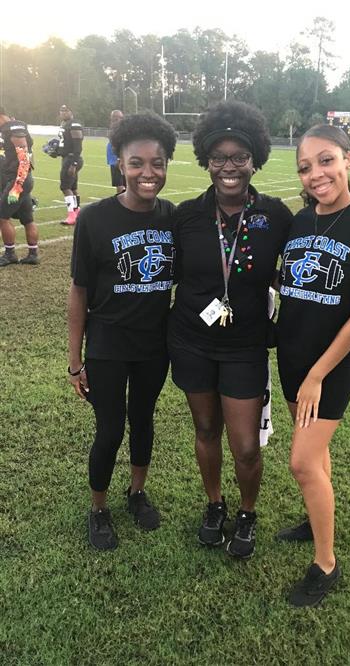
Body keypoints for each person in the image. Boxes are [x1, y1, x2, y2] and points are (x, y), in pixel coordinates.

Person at [276, 124, 350, 607]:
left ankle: (326, 564)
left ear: (348, 159)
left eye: (325, 160)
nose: (316, 174)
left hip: (329, 368)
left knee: (302, 462)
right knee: (316, 456)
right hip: (291, 359)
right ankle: (314, 518)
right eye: (305, 167)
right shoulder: (300, 222)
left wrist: (316, 375)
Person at [169, 101, 293, 559]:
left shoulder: (276, 216)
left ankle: (246, 512)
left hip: (245, 347)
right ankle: (214, 504)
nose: (228, 167)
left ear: (254, 159)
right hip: (192, 341)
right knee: (205, 429)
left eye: (239, 157)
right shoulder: (185, 216)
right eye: (218, 157)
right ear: (205, 160)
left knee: (244, 446)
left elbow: (296, 269)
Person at [67, 112, 177, 550]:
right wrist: (75, 361)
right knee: (110, 428)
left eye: (157, 163)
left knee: (144, 420)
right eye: (137, 163)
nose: (148, 173)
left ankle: (136, 492)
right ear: (121, 164)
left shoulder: (173, 216)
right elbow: (78, 293)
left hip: (154, 346)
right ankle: (98, 509)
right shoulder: (96, 219)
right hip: (108, 346)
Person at [0, 108, 40, 266]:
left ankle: (10, 254)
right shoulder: (7, 129)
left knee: (2, 217)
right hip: (19, 180)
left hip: (18, 180)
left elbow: (24, 159)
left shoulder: (13, 127)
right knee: (27, 219)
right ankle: (33, 254)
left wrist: (17, 186)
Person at [58, 105, 84, 226]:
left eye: (65, 111)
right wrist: (56, 151)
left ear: (71, 112)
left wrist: (73, 163)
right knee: (73, 188)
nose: (63, 113)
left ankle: (71, 215)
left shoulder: (74, 124)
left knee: (65, 187)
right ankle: (77, 212)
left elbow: (78, 145)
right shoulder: (65, 124)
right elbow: (65, 144)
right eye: (61, 111)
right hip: (67, 157)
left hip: (72, 158)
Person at [107, 110, 126, 194]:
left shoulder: (118, 129)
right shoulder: (119, 128)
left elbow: (119, 145)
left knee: (120, 183)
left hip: (117, 159)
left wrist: (119, 158)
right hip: (116, 158)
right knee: (123, 182)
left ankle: (122, 203)